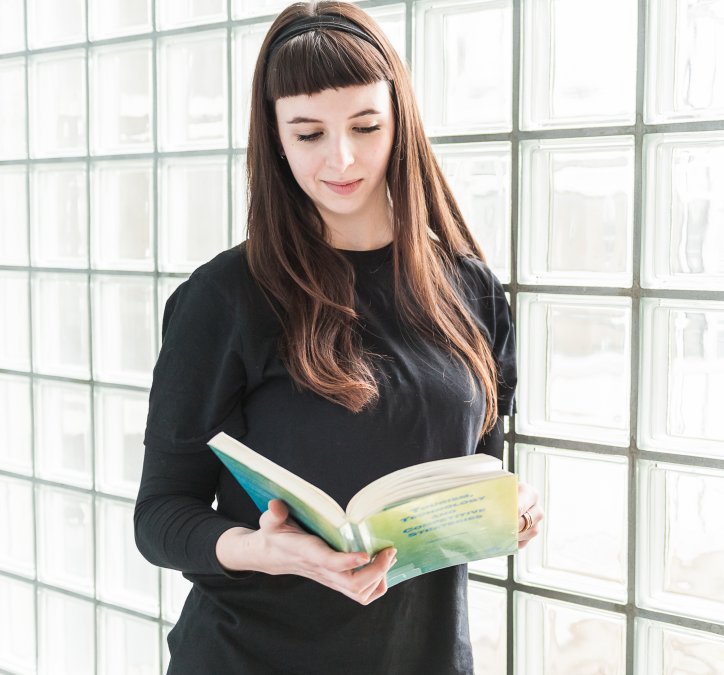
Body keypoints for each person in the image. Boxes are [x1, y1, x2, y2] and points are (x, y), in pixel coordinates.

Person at [133, 3, 542, 673]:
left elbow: (475, 471)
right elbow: (159, 516)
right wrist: (267, 548)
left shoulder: (470, 291)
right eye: (308, 133)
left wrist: (513, 508)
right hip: (245, 655)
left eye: (365, 125)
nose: (342, 158)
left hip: (423, 655)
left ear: (399, 122)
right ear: (275, 139)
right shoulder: (225, 298)